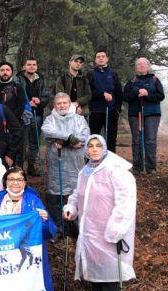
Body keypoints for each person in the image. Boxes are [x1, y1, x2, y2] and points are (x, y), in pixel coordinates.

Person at [63, 134, 136, 291]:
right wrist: (71, 207)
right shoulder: (85, 172)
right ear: (86, 150)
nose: (94, 149)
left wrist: (116, 229)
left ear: (104, 148)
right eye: (90, 146)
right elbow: (77, 195)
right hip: (89, 231)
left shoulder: (116, 171)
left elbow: (125, 202)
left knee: (110, 272)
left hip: (108, 232)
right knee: (94, 268)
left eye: (98, 146)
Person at [41, 92, 89, 238]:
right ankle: (58, 227)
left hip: (75, 164)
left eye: (64, 103)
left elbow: (85, 137)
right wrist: (69, 138)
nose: (61, 106)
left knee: (75, 195)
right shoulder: (50, 119)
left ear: (69, 104)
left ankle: (75, 228)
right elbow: (47, 132)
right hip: (57, 164)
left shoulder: (79, 119)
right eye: (58, 103)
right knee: (56, 196)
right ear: (55, 106)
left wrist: (63, 141)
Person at [123, 57, 165, 174]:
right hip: (135, 114)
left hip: (152, 113)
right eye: (138, 65)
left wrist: (147, 94)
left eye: (143, 64)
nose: (141, 66)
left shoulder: (155, 79)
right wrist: (136, 92)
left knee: (150, 140)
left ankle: (151, 167)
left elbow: (161, 96)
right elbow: (125, 97)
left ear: (148, 66)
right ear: (136, 67)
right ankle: (137, 166)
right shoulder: (132, 81)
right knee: (136, 140)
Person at [17, 57, 50, 176]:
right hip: (23, 114)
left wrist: (40, 100)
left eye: (34, 64)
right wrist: (27, 103)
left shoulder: (41, 79)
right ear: (25, 66)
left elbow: (47, 96)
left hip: (37, 113)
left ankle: (31, 166)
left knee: (34, 141)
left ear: (36, 66)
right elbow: (17, 95)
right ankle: (19, 167)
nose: (31, 66)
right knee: (22, 141)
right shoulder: (19, 79)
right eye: (29, 64)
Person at [86, 49, 123, 152]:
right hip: (96, 111)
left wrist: (117, 109)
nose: (101, 58)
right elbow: (89, 92)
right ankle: (94, 163)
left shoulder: (113, 74)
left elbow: (119, 93)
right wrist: (102, 94)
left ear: (107, 59)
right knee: (95, 139)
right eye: (98, 57)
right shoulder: (90, 74)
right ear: (95, 60)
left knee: (111, 139)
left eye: (103, 56)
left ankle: (110, 163)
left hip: (111, 111)